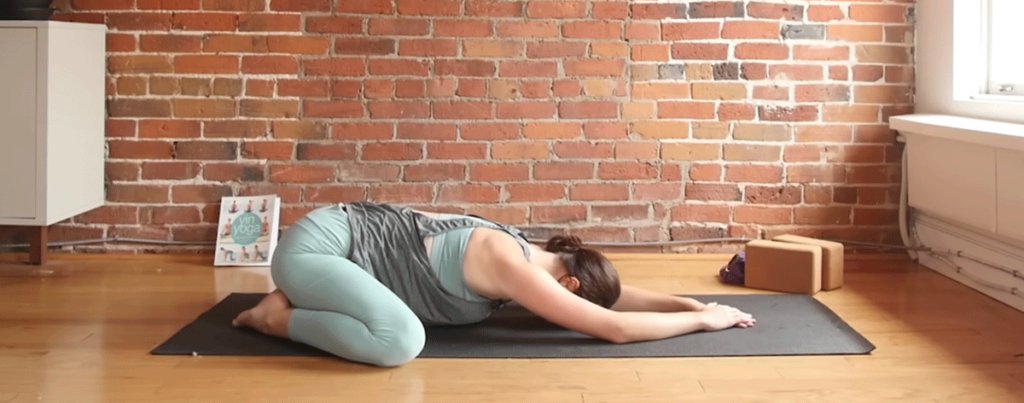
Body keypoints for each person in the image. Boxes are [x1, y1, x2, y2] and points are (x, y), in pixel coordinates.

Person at [232, 202, 755, 367]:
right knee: (400, 342)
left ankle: (304, 294)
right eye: (569, 300)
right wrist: (702, 322)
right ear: (569, 282)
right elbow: (612, 326)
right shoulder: (511, 264)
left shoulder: (535, 255)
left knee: (395, 331)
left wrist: (687, 303)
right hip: (319, 248)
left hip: (342, 256)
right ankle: (276, 318)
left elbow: (615, 298)